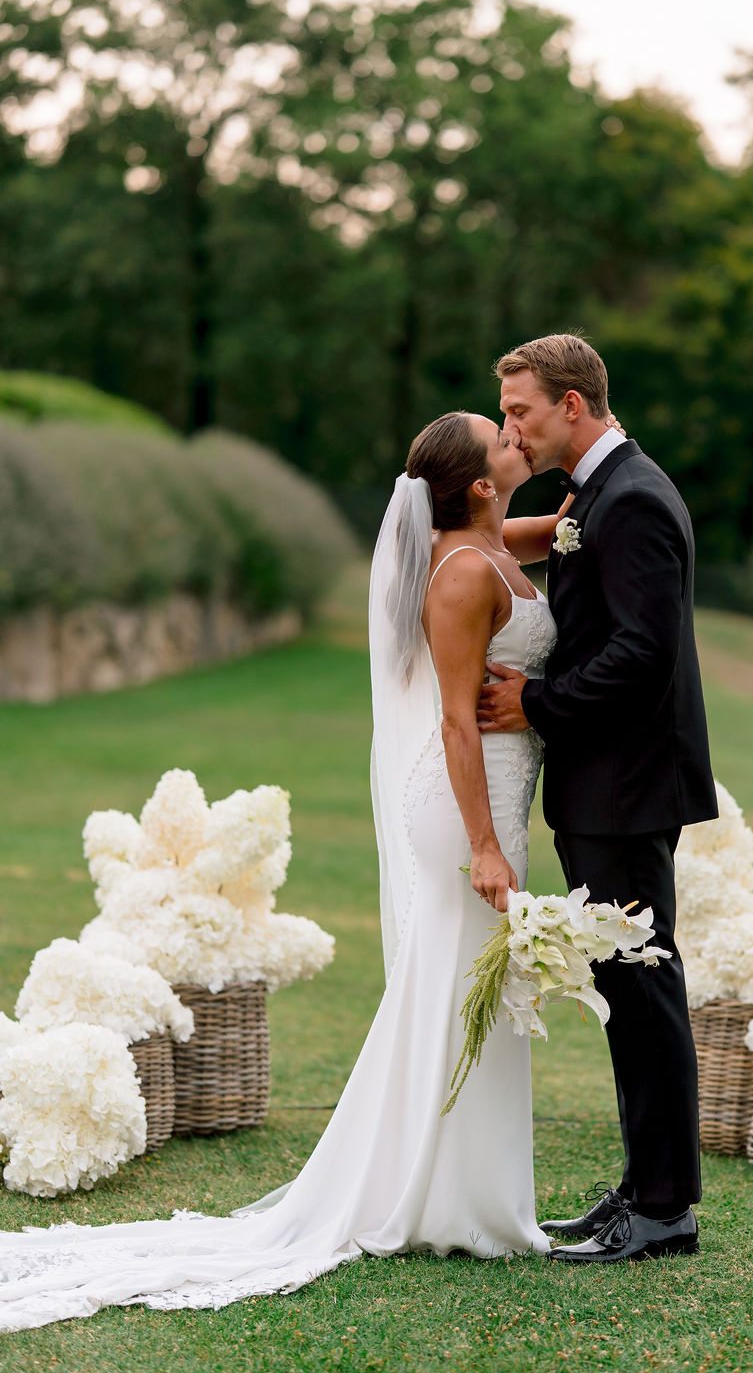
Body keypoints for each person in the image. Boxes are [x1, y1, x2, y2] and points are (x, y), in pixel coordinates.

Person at [0, 410, 565, 1333]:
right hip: (467, 805)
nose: (514, 436)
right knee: (457, 984)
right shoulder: (465, 573)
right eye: (499, 437)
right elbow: (456, 722)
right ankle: (438, 1197)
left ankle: (456, 1192)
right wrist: (487, 846)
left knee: (466, 985)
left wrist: (580, 519)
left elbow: (533, 537)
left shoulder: (493, 544)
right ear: (476, 485)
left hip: (495, 796)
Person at [478, 333, 717, 1264]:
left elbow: (642, 655)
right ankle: (642, 1190)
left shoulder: (635, 499)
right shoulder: (597, 494)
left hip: (627, 786)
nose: (512, 430)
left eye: (521, 412)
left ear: (571, 405)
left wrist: (535, 702)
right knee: (625, 984)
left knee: (644, 986)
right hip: (605, 786)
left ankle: (665, 1211)